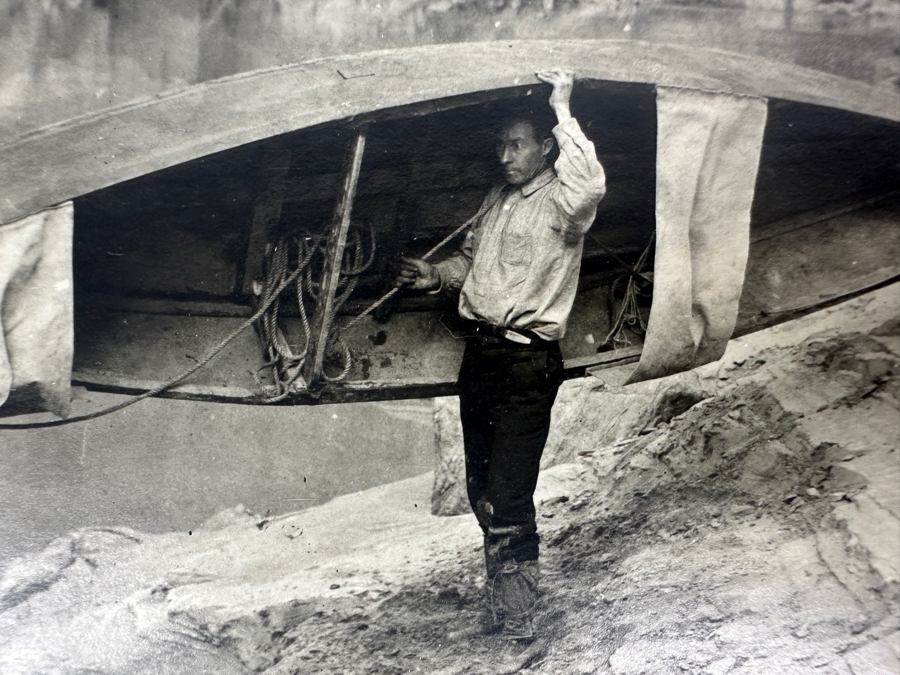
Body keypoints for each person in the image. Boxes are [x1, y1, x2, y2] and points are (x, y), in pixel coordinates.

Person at [395, 68, 606, 641]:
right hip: (481, 357)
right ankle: (501, 602)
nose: (505, 155)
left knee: (509, 492)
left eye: (517, 145)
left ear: (545, 148)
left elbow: (590, 185)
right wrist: (435, 275)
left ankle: (518, 616)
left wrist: (562, 107)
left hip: (526, 362)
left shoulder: (565, 203)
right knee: (481, 489)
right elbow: (471, 266)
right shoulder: (496, 199)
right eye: (500, 145)